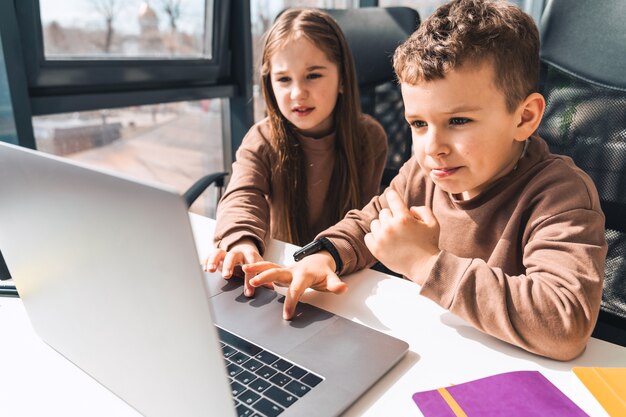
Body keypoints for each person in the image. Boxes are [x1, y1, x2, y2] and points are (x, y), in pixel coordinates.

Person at [244, 0, 608, 361]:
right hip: (429, 355)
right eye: (419, 124)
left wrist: (424, 263)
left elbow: (564, 324)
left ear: (525, 117)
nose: (433, 148)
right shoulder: (424, 175)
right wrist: (325, 256)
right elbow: (369, 222)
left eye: (459, 121)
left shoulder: (560, 194)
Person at [204, 9, 388, 297]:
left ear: (342, 79)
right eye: (284, 79)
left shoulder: (369, 137)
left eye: (313, 75)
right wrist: (240, 241)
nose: (297, 93)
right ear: (269, 83)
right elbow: (243, 195)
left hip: (343, 274)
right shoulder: (262, 137)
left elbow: (365, 220)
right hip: (278, 271)